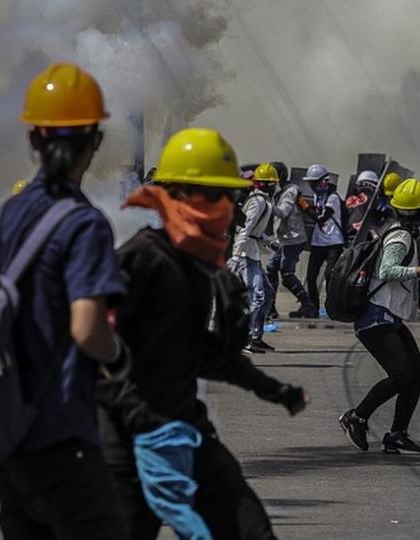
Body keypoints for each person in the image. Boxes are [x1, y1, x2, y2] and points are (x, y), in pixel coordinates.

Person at [101, 128, 308, 540]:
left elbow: (204, 355)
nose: (227, 208)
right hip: (124, 443)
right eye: (214, 196)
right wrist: (138, 414)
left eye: (228, 197)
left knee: (251, 530)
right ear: (177, 196)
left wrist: (272, 389)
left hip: (185, 430)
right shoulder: (140, 260)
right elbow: (95, 351)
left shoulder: (200, 267)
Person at [0, 63, 129, 539]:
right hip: (60, 434)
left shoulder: (4, 216)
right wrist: (119, 357)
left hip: (5, 430)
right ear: (95, 142)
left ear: (34, 139)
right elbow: (87, 329)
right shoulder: (83, 223)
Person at [339, 179, 420, 454]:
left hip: (388, 317)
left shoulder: (399, 232)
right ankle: (356, 417)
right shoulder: (400, 237)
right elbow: (388, 270)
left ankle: (397, 434)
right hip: (376, 318)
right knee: (401, 375)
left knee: (417, 373)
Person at [229, 162, 279, 353]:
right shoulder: (258, 201)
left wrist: (268, 242)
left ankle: (256, 337)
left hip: (253, 252)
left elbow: (255, 232)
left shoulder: (264, 200)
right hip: (245, 254)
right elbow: (245, 229)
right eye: (272, 183)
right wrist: (235, 255)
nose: (275, 186)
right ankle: (247, 339)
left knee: (268, 294)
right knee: (258, 296)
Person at [267, 167, 318, 319]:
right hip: (284, 239)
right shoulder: (280, 191)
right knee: (271, 268)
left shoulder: (290, 191)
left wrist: (264, 204)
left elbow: (283, 212)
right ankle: (270, 307)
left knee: (287, 273)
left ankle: (307, 305)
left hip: (294, 239)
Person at [302, 163, 346, 316]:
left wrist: (306, 208)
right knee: (311, 276)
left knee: (330, 275)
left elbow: (322, 218)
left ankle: (332, 307)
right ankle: (313, 308)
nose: (312, 186)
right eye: (310, 183)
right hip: (318, 242)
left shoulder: (333, 198)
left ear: (324, 181)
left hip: (333, 242)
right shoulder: (316, 196)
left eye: (314, 183)